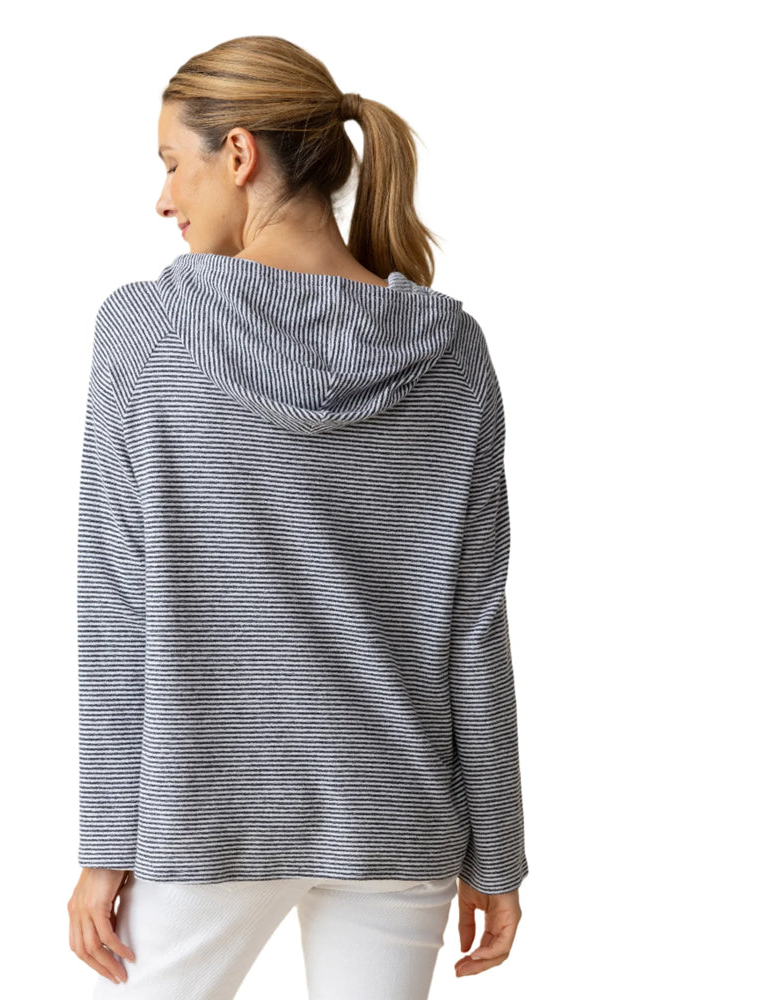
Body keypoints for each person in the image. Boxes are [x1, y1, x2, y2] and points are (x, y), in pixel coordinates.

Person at [67, 34, 528, 1000]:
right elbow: (474, 624)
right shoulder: (453, 353)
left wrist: (107, 841)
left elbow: (118, 604)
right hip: (398, 815)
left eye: (172, 163)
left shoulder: (145, 333)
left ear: (238, 154)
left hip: (205, 814)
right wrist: (496, 848)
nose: (163, 198)